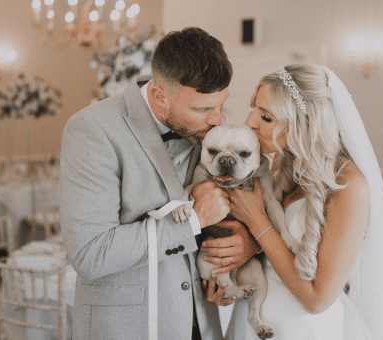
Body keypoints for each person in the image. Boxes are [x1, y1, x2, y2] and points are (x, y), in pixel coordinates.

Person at [60, 27, 257, 340]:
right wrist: (194, 218)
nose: (217, 120)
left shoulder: (208, 133)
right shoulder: (92, 130)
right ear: (159, 95)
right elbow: (90, 254)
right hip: (127, 329)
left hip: (201, 324)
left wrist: (247, 244)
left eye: (221, 105)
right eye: (202, 108)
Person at [201, 64, 383, 340]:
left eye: (266, 117)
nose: (251, 122)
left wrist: (257, 221)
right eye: (254, 108)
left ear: (303, 124)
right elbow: (276, 251)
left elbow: (317, 300)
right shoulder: (281, 168)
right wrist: (245, 254)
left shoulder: (350, 186)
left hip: (303, 330)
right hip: (252, 321)